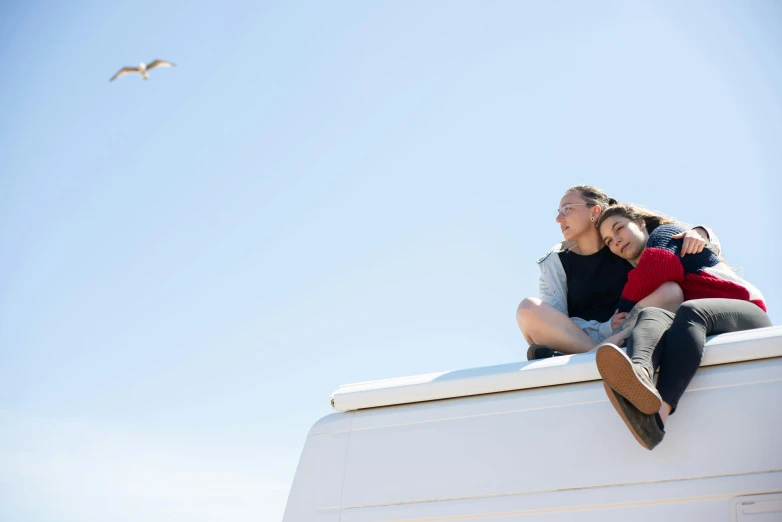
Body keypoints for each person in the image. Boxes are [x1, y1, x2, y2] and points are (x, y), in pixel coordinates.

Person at [594, 204, 771, 450]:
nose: (616, 241)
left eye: (619, 228)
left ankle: (660, 412)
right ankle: (640, 377)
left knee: (691, 311)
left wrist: (623, 307)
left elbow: (660, 264)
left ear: (641, 223)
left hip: (744, 310)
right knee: (651, 315)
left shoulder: (666, 235)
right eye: (609, 240)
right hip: (699, 325)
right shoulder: (638, 271)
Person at [516, 185, 719, 359]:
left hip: (633, 329)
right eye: (558, 212)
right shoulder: (555, 262)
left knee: (671, 291)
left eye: (567, 209)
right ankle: (598, 357)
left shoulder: (625, 240)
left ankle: (595, 358)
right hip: (581, 339)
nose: (559, 219)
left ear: (594, 211)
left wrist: (701, 232)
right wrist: (604, 328)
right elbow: (556, 321)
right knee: (527, 309)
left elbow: (673, 240)